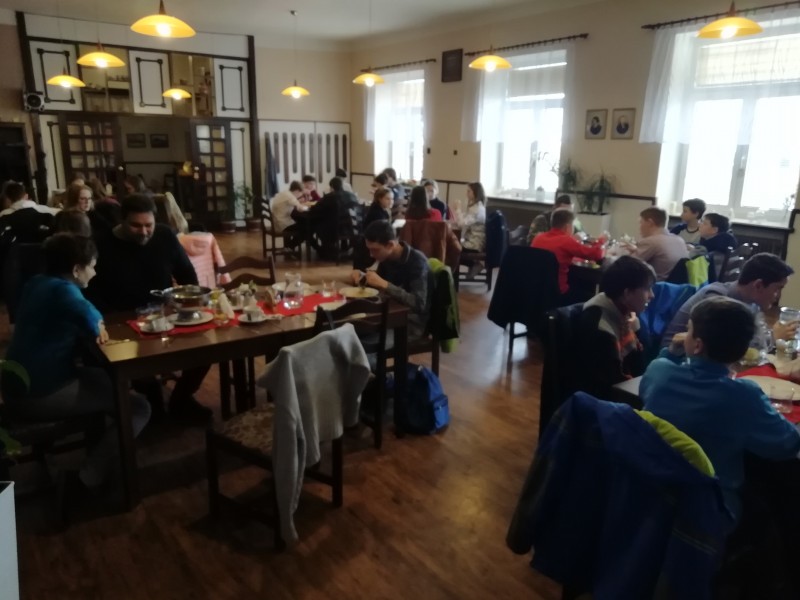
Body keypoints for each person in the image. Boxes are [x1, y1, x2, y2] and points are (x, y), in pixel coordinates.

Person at [1, 233, 150, 491]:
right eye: (92, 266)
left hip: (15, 385)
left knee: (109, 381)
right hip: (39, 394)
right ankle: (88, 476)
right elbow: (92, 318)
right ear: (76, 269)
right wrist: (97, 324)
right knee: (138, 407)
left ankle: (102, 444)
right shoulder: (64, 291)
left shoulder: (37, 282)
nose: (95, 272)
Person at [642, 296, 800, 521]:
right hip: (708, 507)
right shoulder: (744, 396)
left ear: (697, 345)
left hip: (649, 487)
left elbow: (650, 383)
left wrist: (671, 351)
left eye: (688, 330)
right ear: (743, 351)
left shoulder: (659, 372)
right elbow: (787, 444)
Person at [86, 195, 211, 421]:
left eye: (148, 225)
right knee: (140, 367)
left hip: (164, 315)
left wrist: (190, 302)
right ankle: (154, 406)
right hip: (121, 320)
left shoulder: (164, 236)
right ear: (122, 220)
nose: (144, 232)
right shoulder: (102, 244)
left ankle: (180, 399)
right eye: (136, 225)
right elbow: (91, 291)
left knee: (206, 350)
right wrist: (111, 320)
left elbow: (186, 274)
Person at [661, 253, 795, 349]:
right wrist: (773, 338)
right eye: (778, 289)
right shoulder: (716, 299)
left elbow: (753, 341)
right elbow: (724, 347)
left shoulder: (752, 304)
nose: (778, 296)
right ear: (758, 285)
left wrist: (771, 337)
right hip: (676, 360)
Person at [576, 255, 656, 400]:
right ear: (627, 293)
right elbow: (611, 388)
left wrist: (637, 327)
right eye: (647, 289)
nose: (652, 295)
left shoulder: (625, 315)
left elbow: (643, 363)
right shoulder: (601, 328)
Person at [351, 220, 430, 342]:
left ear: (390, 245)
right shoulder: (387, 257)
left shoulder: (417, 262)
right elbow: (378, 288)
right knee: (349, 331)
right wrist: (362, 278)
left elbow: (418, 304)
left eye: (375, 250)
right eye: (369, 249)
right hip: (388, 315)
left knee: (359, 343)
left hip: (410, 324)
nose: (371, 255)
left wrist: (385, 285)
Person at [532, 209, 605, 298]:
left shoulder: (538, 238)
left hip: (536, 290)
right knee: (591, 296)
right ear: (568, 226)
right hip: (558, 292)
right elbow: (596, 254)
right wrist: (601, 241)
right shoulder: (566, 241)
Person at [626, 207, 689, 281]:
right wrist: (637, 250)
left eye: (641, 222)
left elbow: (627, 266)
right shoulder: (679, 240)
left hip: (654, 285)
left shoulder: (651, 241)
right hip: (674, 286)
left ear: (650, 222)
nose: (639, 227)